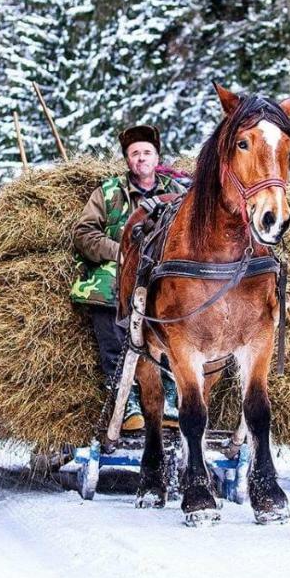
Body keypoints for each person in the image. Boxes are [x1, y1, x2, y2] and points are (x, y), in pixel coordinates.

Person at [71, 124, 182, 430]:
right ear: (127, 160)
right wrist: (120, 251)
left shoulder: (177, 192)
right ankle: (127, 399)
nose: (141, 158)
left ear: (156, 156)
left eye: (147, 152)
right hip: (117, 269)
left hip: (163, 271)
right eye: (135, 154)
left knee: (180, 314)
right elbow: (83, 233)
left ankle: (170, 397)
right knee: (107, 303)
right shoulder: (108, 192)